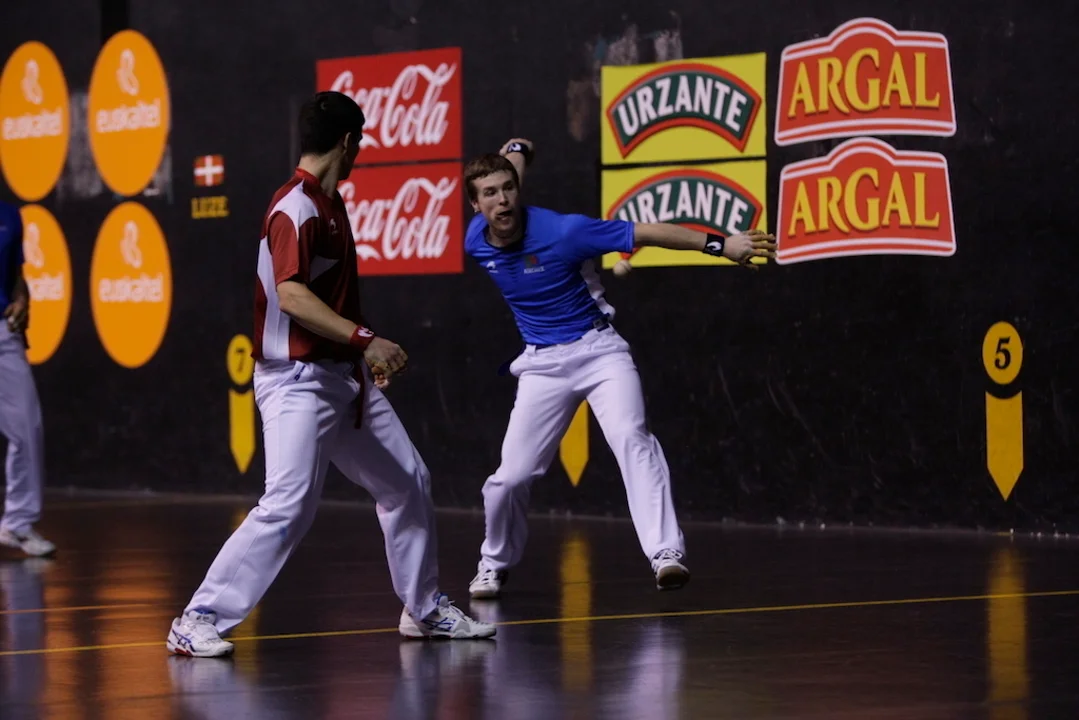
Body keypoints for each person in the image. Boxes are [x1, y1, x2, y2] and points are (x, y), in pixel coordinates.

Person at [166, 92, 494, 658]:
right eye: (359, 142)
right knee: (288, 504)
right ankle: (197, 618)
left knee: (407, 481)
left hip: (343, 378)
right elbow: (292, 296)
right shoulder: (296, 208)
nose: (359, 151)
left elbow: (328, 301)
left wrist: (359, 355)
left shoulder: (331, 203)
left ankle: (424, 609)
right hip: (295, 382)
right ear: (347, 142)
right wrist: (367, 340)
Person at [462, 139, 776, 598]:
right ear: (475, 205)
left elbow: (646, 232)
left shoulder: (566, 232)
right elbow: (502, 170)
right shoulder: (476, 238)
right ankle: (493, 564)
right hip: (542, 365)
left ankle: (665, 553)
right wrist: (518, 149)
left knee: (632, 436)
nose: (503, 199)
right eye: (489, 194)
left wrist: (722, 244)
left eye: (509, 189)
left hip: (599, 353)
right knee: (509, 478)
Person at [0, 200, 55, 558]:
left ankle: (17, 524)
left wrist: (22, 299)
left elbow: (15, 275)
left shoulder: (8, 215)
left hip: (3, 333)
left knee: (27, 426)